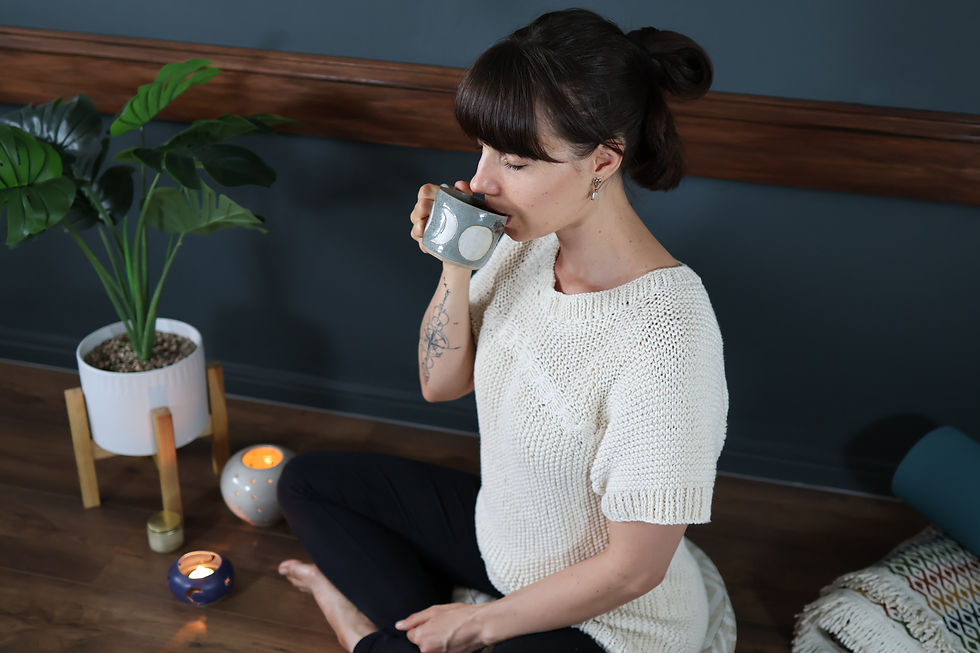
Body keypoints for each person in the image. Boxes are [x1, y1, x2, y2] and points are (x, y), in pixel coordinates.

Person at [276, 8, 728, 653]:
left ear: (602, 160)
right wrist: (455, 268)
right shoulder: (521, 242)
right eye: (483, 149)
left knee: (423, 638)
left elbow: (635, 569)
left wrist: (477, 622)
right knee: (308, 483)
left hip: (608, 624)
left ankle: (360, 626)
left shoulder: (668, 334)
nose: (482, 181)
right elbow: (441, 385)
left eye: (514, 161)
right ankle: (409, 636)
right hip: (506, 544)